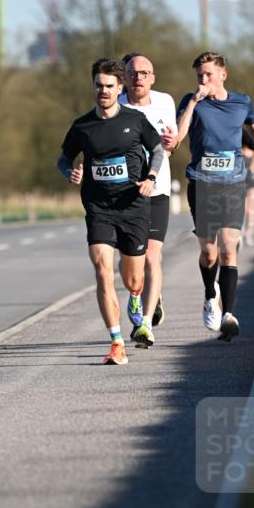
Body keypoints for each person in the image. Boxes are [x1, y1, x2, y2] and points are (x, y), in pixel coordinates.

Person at [164, 52, 254, 341]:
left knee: (230, 247)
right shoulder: (191, 102)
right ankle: (209, 296)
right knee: (209, 252)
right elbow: (178, 137)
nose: (203, 80)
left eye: (208, 74)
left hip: (233, 183)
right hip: (202, 184)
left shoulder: (242, 101)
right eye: (199, 76)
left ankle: (228, 314)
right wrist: (193, 100)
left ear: (222, 75)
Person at [57, 57, 163, 364]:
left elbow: (157, 150)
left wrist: (151, 177)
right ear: (93, 87)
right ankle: (116, 341)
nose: (103, 91)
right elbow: (63, 159)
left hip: (133, 206)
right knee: (103, 270)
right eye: (98, 86)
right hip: (99, 208)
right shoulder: (82, 126)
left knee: (133, 280)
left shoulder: (134, 120)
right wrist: (70, 173)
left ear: (120, 88)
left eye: (109, 86)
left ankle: (134, 299)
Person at [119, 53, 176, 348]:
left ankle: (144, 325)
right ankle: (138, 294)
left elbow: (172, 145)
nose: (138, 77)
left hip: (157, 190)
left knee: (153, 256)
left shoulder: (165, 102)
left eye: (144, 72)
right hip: (124, 193)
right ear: (124, 77)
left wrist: (172, 144)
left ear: (152, 77)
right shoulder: (115, 105)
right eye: (132, 72)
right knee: (132, 261)